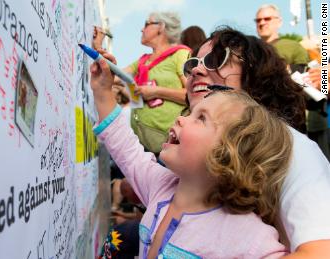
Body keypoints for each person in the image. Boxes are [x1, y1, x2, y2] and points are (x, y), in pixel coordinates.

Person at [91, 56, 291, 259]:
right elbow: (127, 150)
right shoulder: (160, 186)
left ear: (229, 152)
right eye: (190, 113)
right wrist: (102, 92)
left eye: (201, 118)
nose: (180, 118)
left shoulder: (251, 239)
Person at [184, 27, 330, 257]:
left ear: (254, 72)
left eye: (214, 59)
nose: (196, 70)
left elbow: (320, 253)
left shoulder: (291, 149)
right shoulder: (191, 149)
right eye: (191, 65)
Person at [116, 12, 190, 154]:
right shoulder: (142, 61)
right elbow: (116, 76)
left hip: (169, 145)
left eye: (146, 24)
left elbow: (192, 95)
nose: (142, 29)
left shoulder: (180, 54)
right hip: (144, 145)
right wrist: (97, 48)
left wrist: (156, 91)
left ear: (160, 27)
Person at [255, 4, 309, 72]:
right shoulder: (250, 49)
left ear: (279, 22)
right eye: (258, 20)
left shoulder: (293, 46)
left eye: (267, 19)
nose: (262, 23)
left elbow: (305, 71)